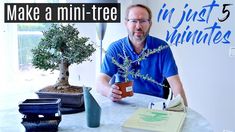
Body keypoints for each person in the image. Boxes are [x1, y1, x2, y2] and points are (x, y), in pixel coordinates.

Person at [96, 4, 188, 106]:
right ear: (126, 23)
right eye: (134, 21)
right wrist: (110, 92)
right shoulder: (115, 48)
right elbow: (100, 82)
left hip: (154, 106)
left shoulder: (162, 48)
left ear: (150, 23)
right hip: (124, 104)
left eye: (143, 21)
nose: (138, 26)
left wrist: (184, 111)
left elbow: (176, 85)